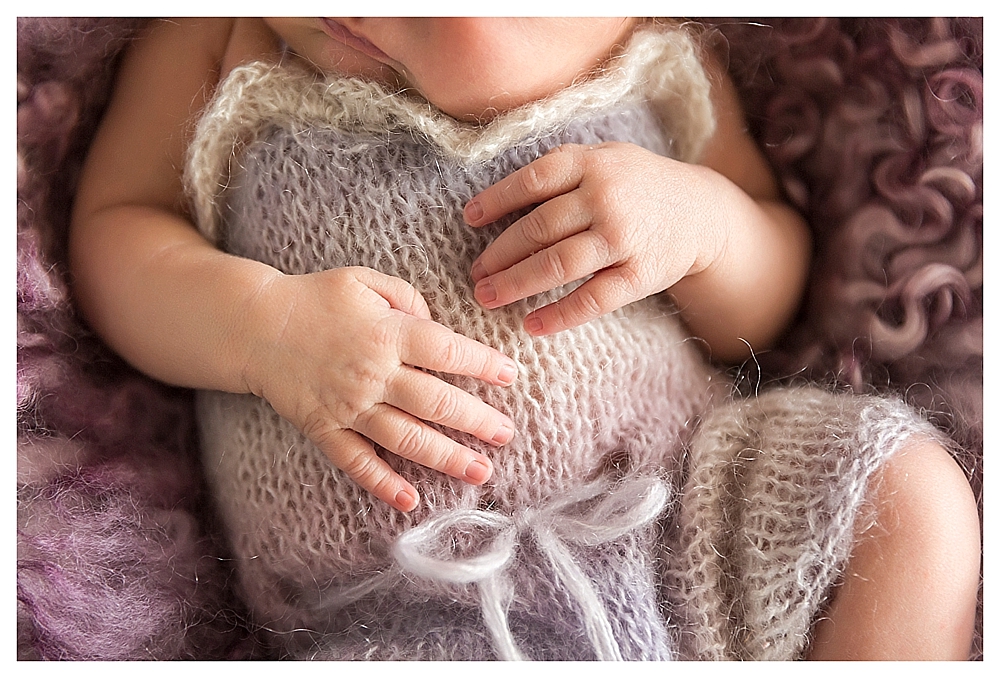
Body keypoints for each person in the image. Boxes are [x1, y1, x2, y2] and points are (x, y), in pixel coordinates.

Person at [68, 18, 979, 660]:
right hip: (414, 599)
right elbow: (116, 235)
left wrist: (703, 227)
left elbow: (762, 309)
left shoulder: (658, 61)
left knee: (910, 505)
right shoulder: (219, 40)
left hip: (691, 514)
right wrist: (260, 328)